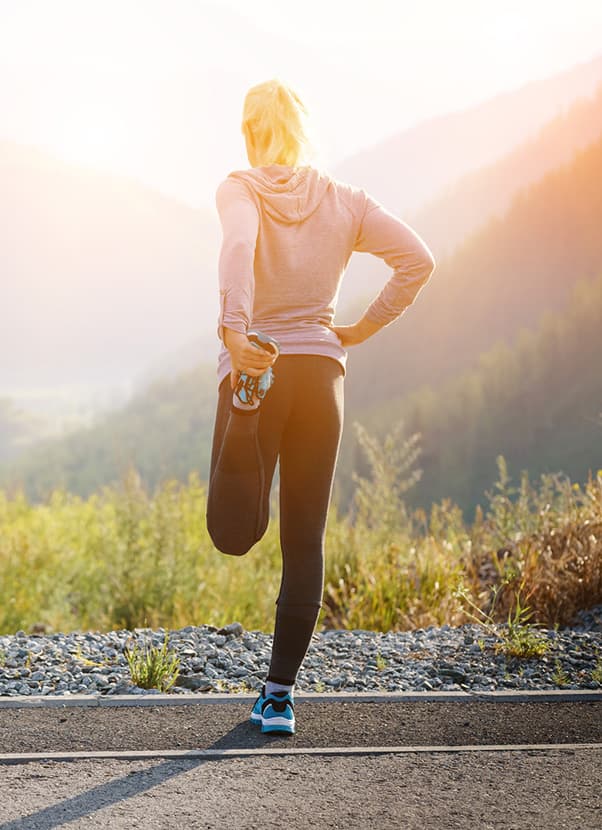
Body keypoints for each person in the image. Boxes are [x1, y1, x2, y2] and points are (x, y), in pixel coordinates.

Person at [206, 78, 436, 735]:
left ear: (250, 131)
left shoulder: (239, 188)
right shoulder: (346, 201)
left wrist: (236, 331)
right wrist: (360, 329)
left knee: (233, 533)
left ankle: (247, 406)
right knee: (305, 540)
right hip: (322, 377)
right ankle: (278, 698)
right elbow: (417, 261)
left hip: (259, 365)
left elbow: (236, 250)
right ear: (303, 130)